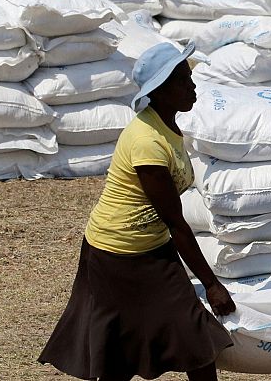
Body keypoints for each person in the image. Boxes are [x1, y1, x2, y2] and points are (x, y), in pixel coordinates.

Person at [39, 42, 236, 381]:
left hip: (153, 247)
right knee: (120, 351)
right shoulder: (147, 141)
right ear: (159, 92)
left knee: (192, 332)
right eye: (182, 82)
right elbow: (177, 223)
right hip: (117, 253)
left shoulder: (167, 126)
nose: (192, 88)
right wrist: (212, 284)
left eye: (190, 78)